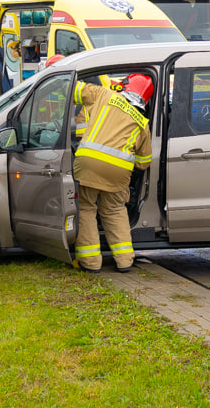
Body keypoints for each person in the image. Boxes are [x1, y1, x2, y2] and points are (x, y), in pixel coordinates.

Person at [72, 73, 153, 273]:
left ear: (125, 87)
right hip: (118, 172)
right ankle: (125, 261)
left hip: (88, 164)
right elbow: (144, 162)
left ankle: (91, 263)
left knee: (86, 208)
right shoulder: (143, 123)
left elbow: (73, 89)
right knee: (115, 210)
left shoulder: (104, 95)